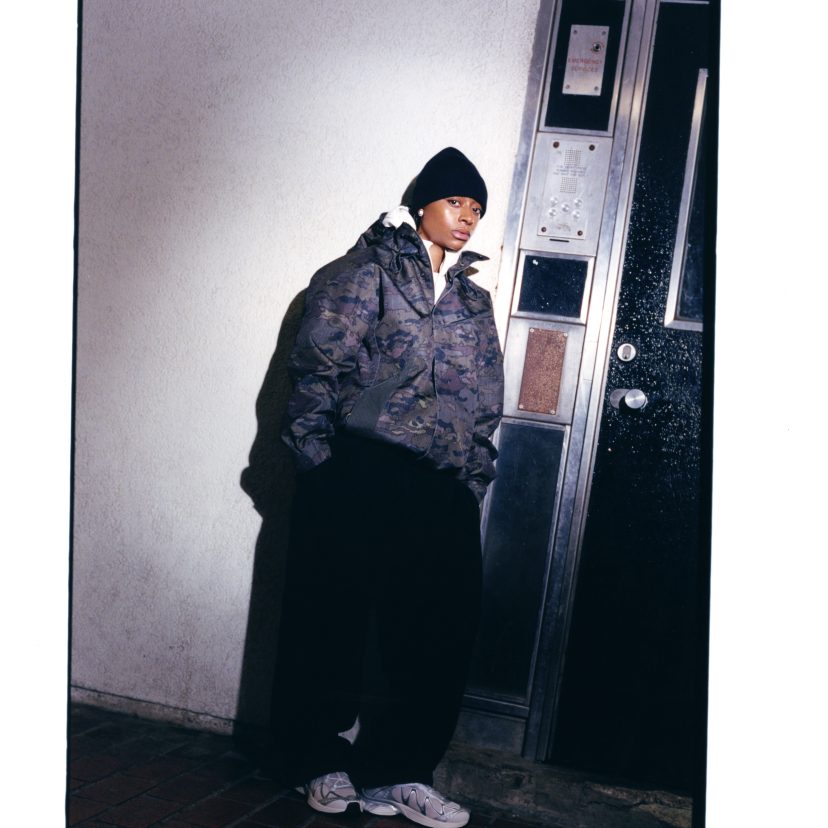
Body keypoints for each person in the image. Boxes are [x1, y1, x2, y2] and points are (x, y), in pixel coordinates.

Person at [270, 147, 504, 828]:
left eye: (477, 208)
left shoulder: (473, 300)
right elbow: (314, 370)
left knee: (435, 634)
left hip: (438, 486)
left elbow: (486, 402)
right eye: (455, 202)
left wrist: (469, 481)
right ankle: (316, 761)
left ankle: (400, 773)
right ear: (422, 204)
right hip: (358, 472)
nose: (467, 217)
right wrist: (321, 467)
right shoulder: (361, 274)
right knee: (331, 621)